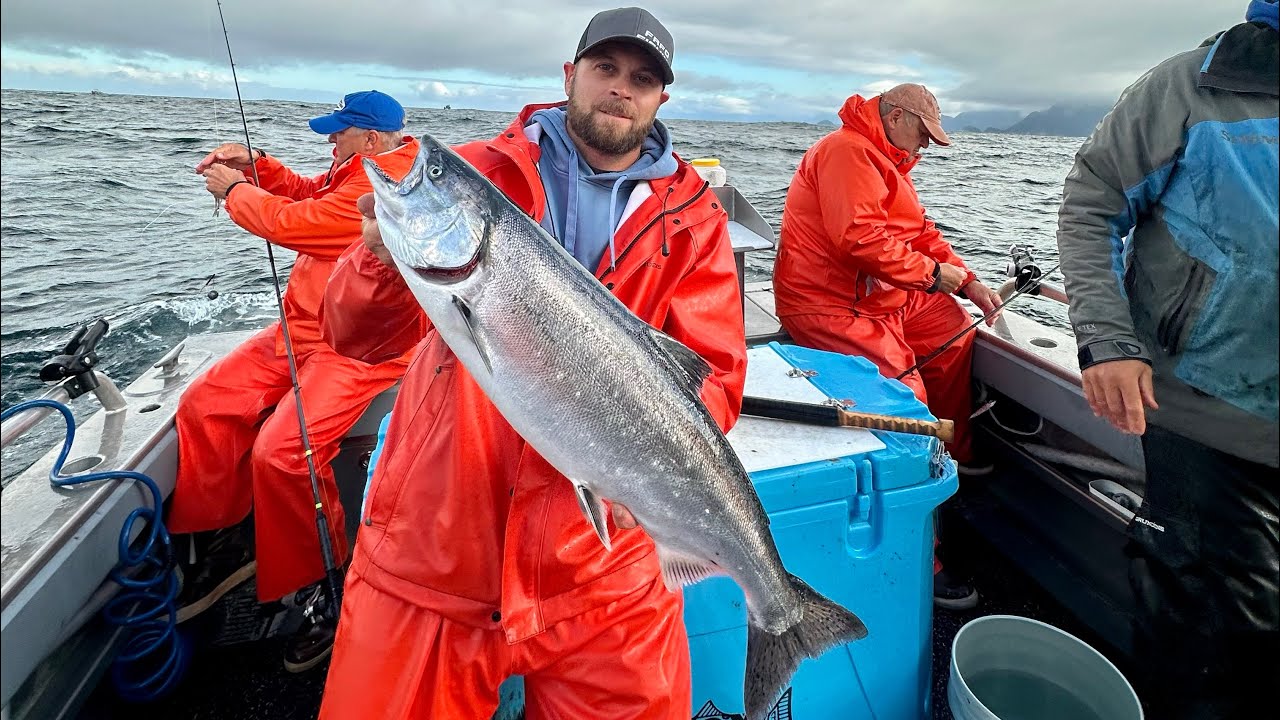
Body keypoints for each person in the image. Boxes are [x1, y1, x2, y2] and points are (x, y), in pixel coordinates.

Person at [314, 7, 747, 718]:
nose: (620, 88)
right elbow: (355, 338)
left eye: (641, 79)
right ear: (570, 75)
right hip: (438, 543)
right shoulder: (476, 172)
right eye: (605, 68)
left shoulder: (694, 217)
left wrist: (636, 470)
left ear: (660, 99)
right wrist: (379, 259)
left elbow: (714, 381)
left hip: (603, 561)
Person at [1055, 2, 1278, 717]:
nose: (924, 148)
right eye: (921, 135)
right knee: (1206, 630)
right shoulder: (1188, 86)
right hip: (1207, 412)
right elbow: (1090, 201)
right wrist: (1108, 341)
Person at [167, 90, 420, 673]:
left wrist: (234, 191)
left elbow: (294, 222)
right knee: (205, 404)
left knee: (282, 453)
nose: (330, 140)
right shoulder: (359, 165)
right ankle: (223, 541)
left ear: (372, 138)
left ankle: (322, 589)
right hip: (301, 326)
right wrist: (262, 169)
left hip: (356, 348)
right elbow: (310, 194)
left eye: (339, 131)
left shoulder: (383, 186)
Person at [771, 83, 1002, 610]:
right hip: (827, 303)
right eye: (921, 134)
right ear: (895, 116)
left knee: (950, 331)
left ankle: (952, 455)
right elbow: (859, 239)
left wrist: (966, 282)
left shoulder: (892, 161)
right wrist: (932, 273)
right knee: (903, 390)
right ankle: (923, 547)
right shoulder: (848, 151)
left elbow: (920, 232)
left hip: (887, 297)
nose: (923, 147)